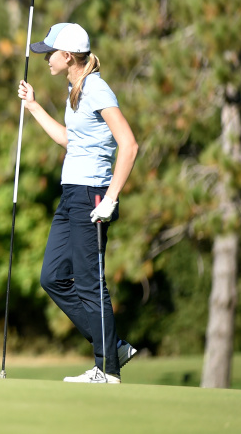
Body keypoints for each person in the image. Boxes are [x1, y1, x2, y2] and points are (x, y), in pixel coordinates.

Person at [17, 23, 139, 383]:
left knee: (88, 283)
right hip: (72, 192)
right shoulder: (77, 90)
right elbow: (72, 141)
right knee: (52, 277)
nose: (45, 59)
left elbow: (128, 145)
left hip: (92, 195)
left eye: (49, 53)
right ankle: (112, 345)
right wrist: (34, 106)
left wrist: (111, 199)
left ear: (67, 56)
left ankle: (108, 369)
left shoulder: (96, 89)